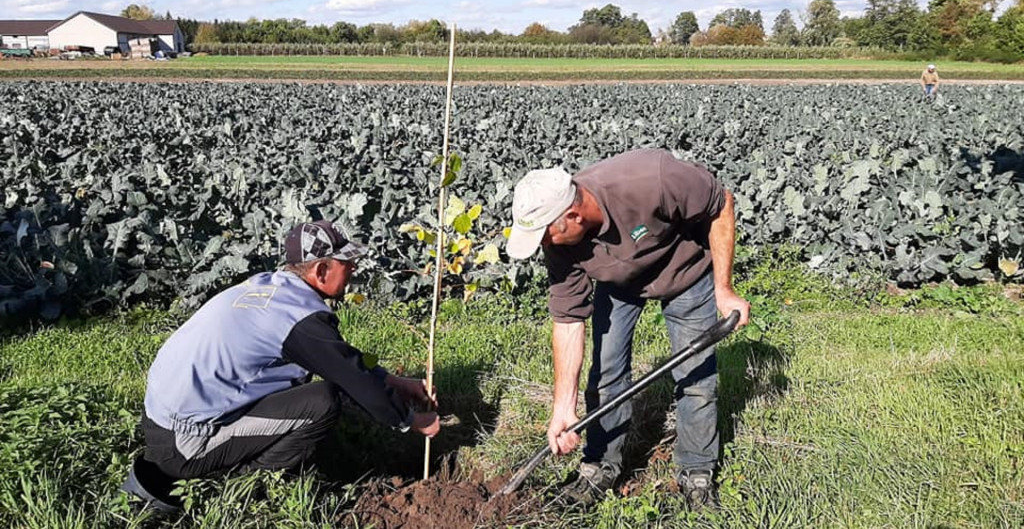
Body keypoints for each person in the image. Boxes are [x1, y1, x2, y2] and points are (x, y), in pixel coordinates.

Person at [123, 220, 440, 513]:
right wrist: (411, 419)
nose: (354, 267)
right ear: (321, 271)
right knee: (323, 402)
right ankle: (244, 487)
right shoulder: (300, 320)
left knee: (317, 391)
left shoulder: (270, 288)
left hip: (161, 419)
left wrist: (395, 383)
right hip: (186, 443)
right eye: (346, 262)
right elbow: (351, 377)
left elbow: (340, 358)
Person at [506, 149, 750, 510]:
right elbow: (568, 319)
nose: (546, 247)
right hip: (617, 283)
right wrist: (562, 406)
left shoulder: (652, 179)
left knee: (696, 379)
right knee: (606, 375)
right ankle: (599, 465)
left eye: (545, 237)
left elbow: (720, 202)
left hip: (685, 273)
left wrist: (724, 288)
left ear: (572, 216)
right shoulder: (560, 244)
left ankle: (696, 472)